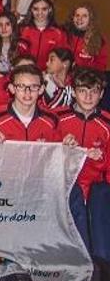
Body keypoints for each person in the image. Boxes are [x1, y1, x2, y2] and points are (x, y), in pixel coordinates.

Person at [56, 69, 110, 200]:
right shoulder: (56, 118)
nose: (88, 97)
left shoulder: (107, 123)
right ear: (73, 92)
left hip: (95, 189)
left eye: (94, 92)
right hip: (60, 185)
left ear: (102, 94)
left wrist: (100, 158)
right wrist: (61, 147)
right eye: (82, 91)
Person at [0, 64, 60, 142]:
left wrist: (68, 144)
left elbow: (59, 149)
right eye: (21, 86)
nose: (27, 92)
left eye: (34, 86)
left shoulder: (51, 119)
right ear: (12, 89)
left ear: (41, 89)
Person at [19, 0, 68, 70]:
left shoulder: (58, 34)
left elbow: (61, 59)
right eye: (36, 9)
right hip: (25, 72)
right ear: (31, 10)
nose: (40, 13)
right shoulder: (22, 30)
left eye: (44, 9)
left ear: (50, 9)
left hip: (48, 74)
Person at [65, 3, 107, 70]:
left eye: (84, 16)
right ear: (72, 18)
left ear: (91, 19)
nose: (80, 18)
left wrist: (81, 67)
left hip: (86, 78)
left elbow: (101, 65)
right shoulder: (65, 35)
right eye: (77, 15)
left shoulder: (99, 39)